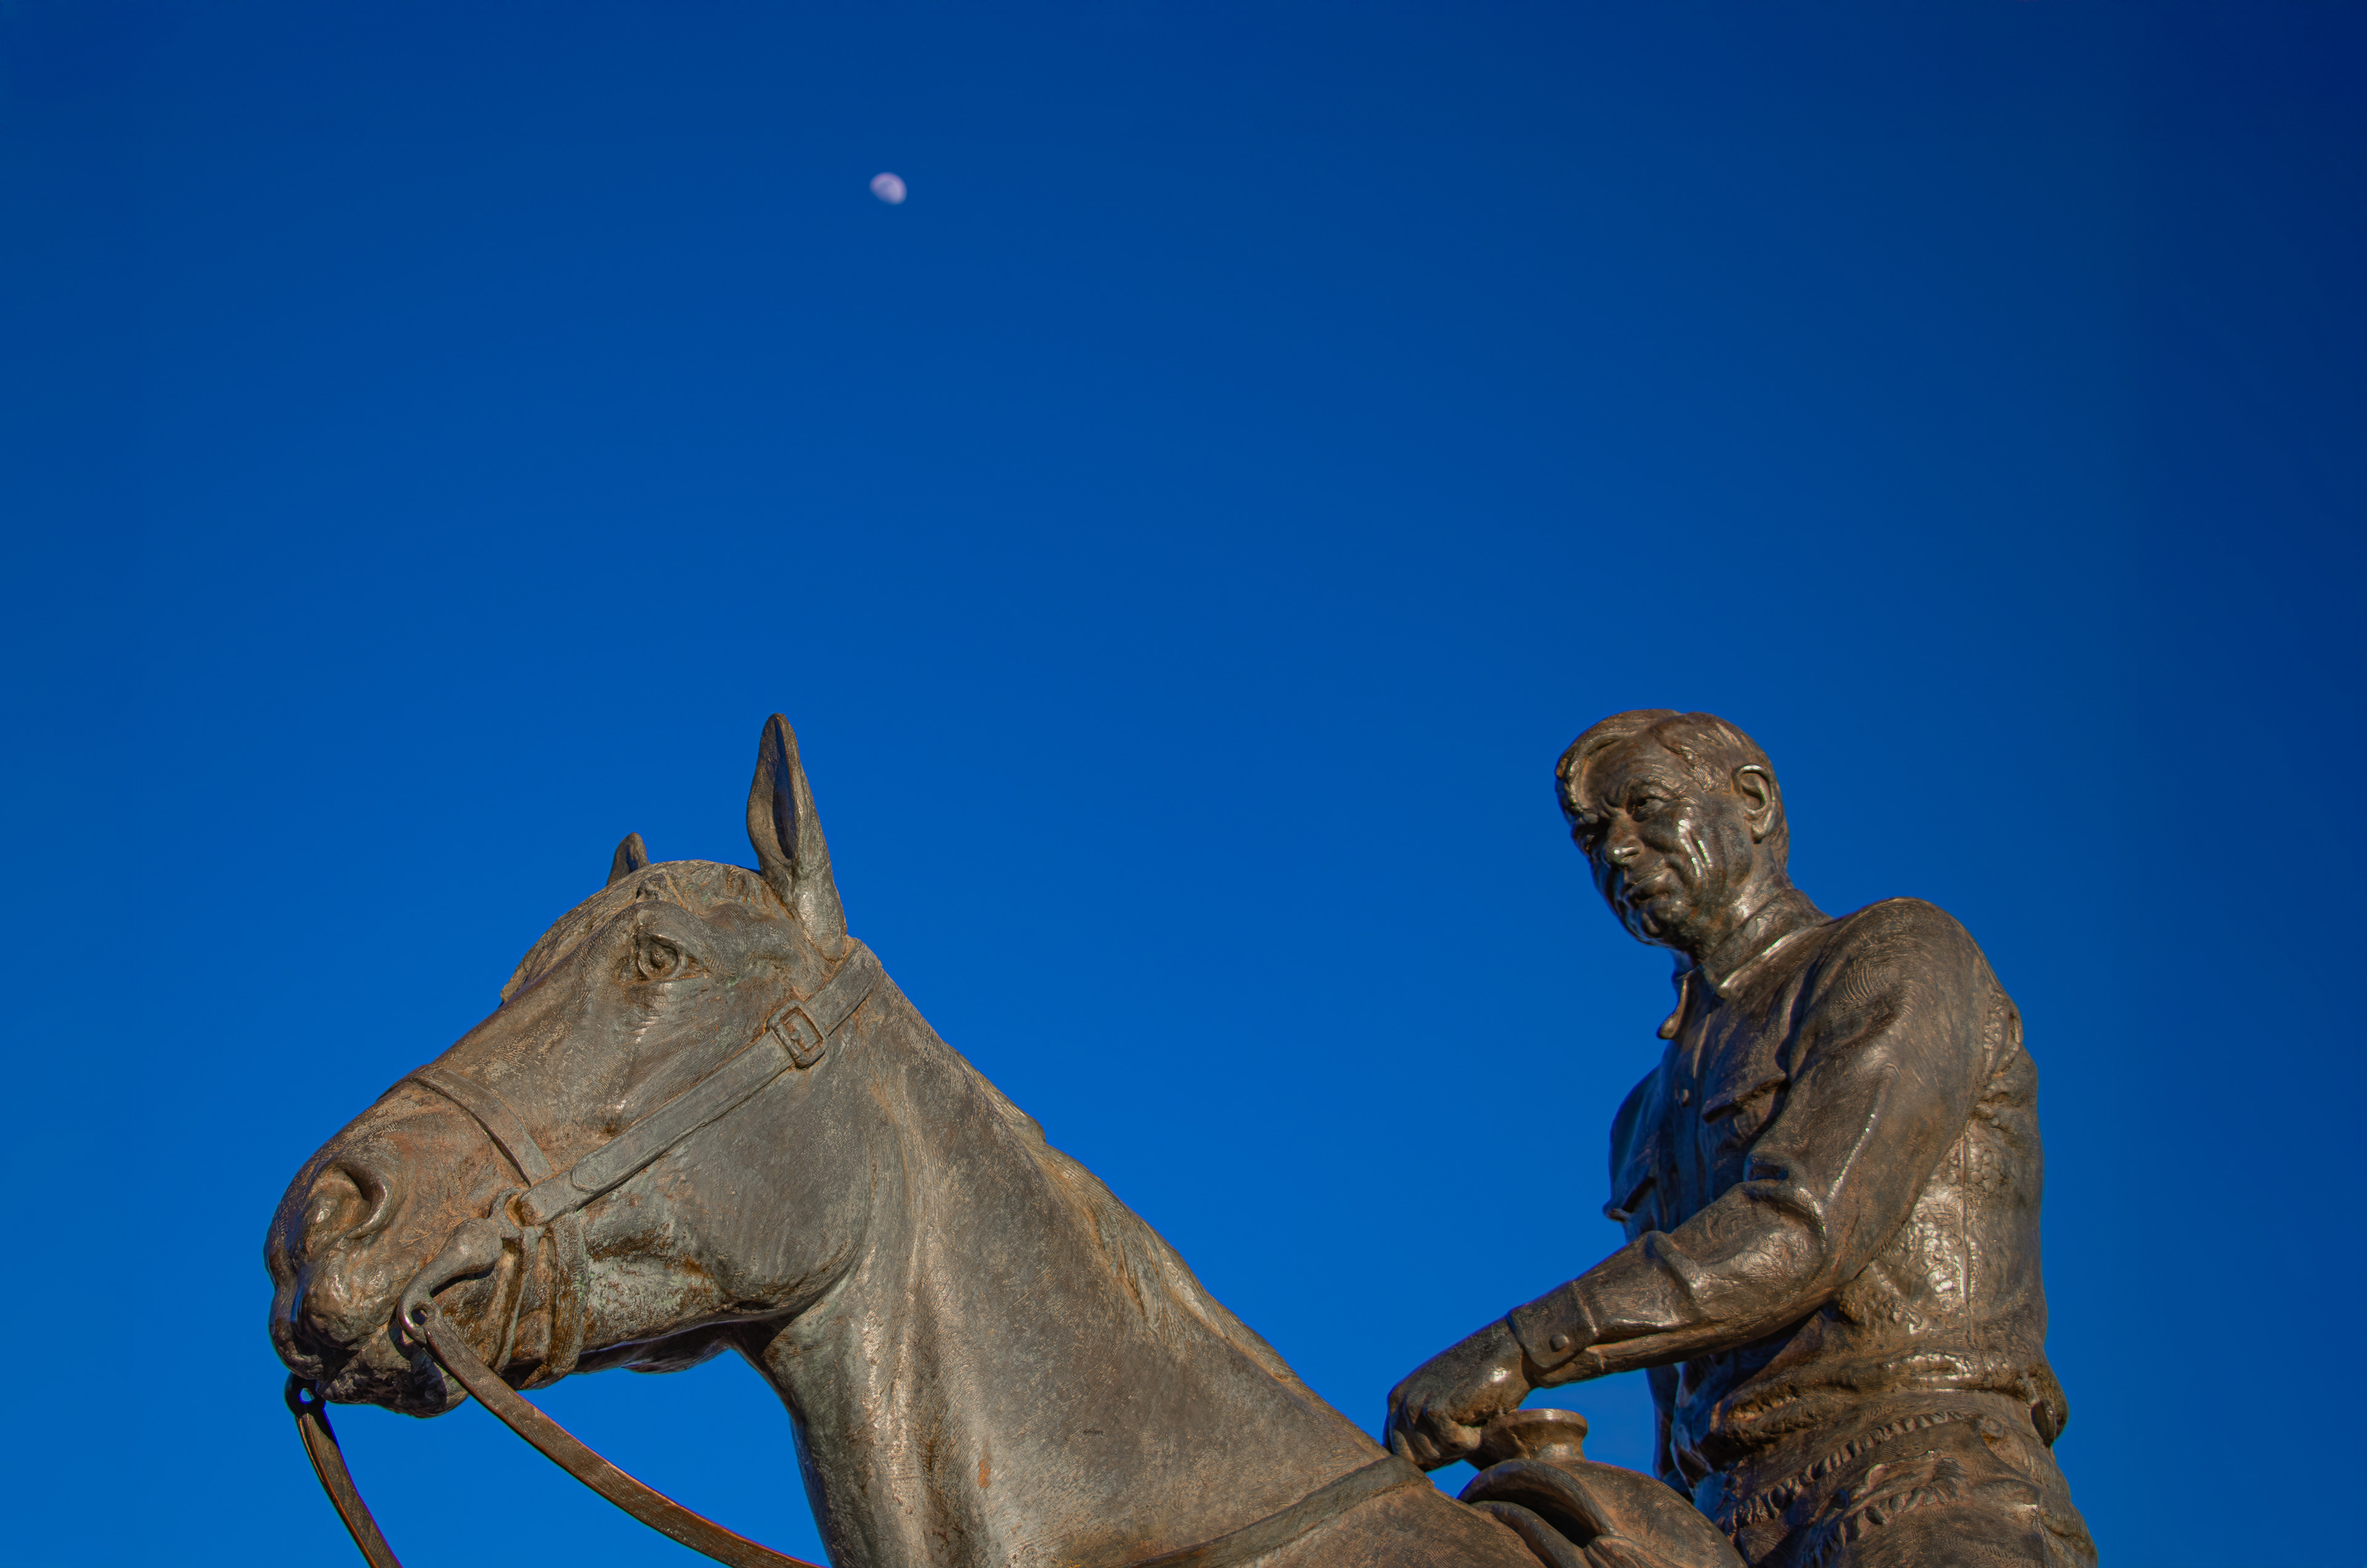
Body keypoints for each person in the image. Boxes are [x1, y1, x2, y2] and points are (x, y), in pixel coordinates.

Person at [1386, 711, 2093, 1568]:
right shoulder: (1642, 1116)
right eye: (1592, 837)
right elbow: (1673, 1382)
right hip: (1722, 1524)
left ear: (1752, 802)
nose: (1618, 851)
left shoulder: (1894, 954)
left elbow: (1804, 1225)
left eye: (1646, 807)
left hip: (1921, 1478)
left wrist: (1521, 1343)